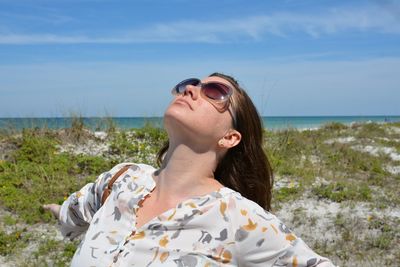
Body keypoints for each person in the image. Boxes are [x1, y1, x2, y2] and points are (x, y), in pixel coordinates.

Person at [44, 73, 335, 266]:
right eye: (191, 84)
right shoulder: (121, 179)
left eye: (215, 92)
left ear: (229, 137)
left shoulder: (239, 218)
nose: (192, 89)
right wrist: (56, 209)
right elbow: (75, 212)